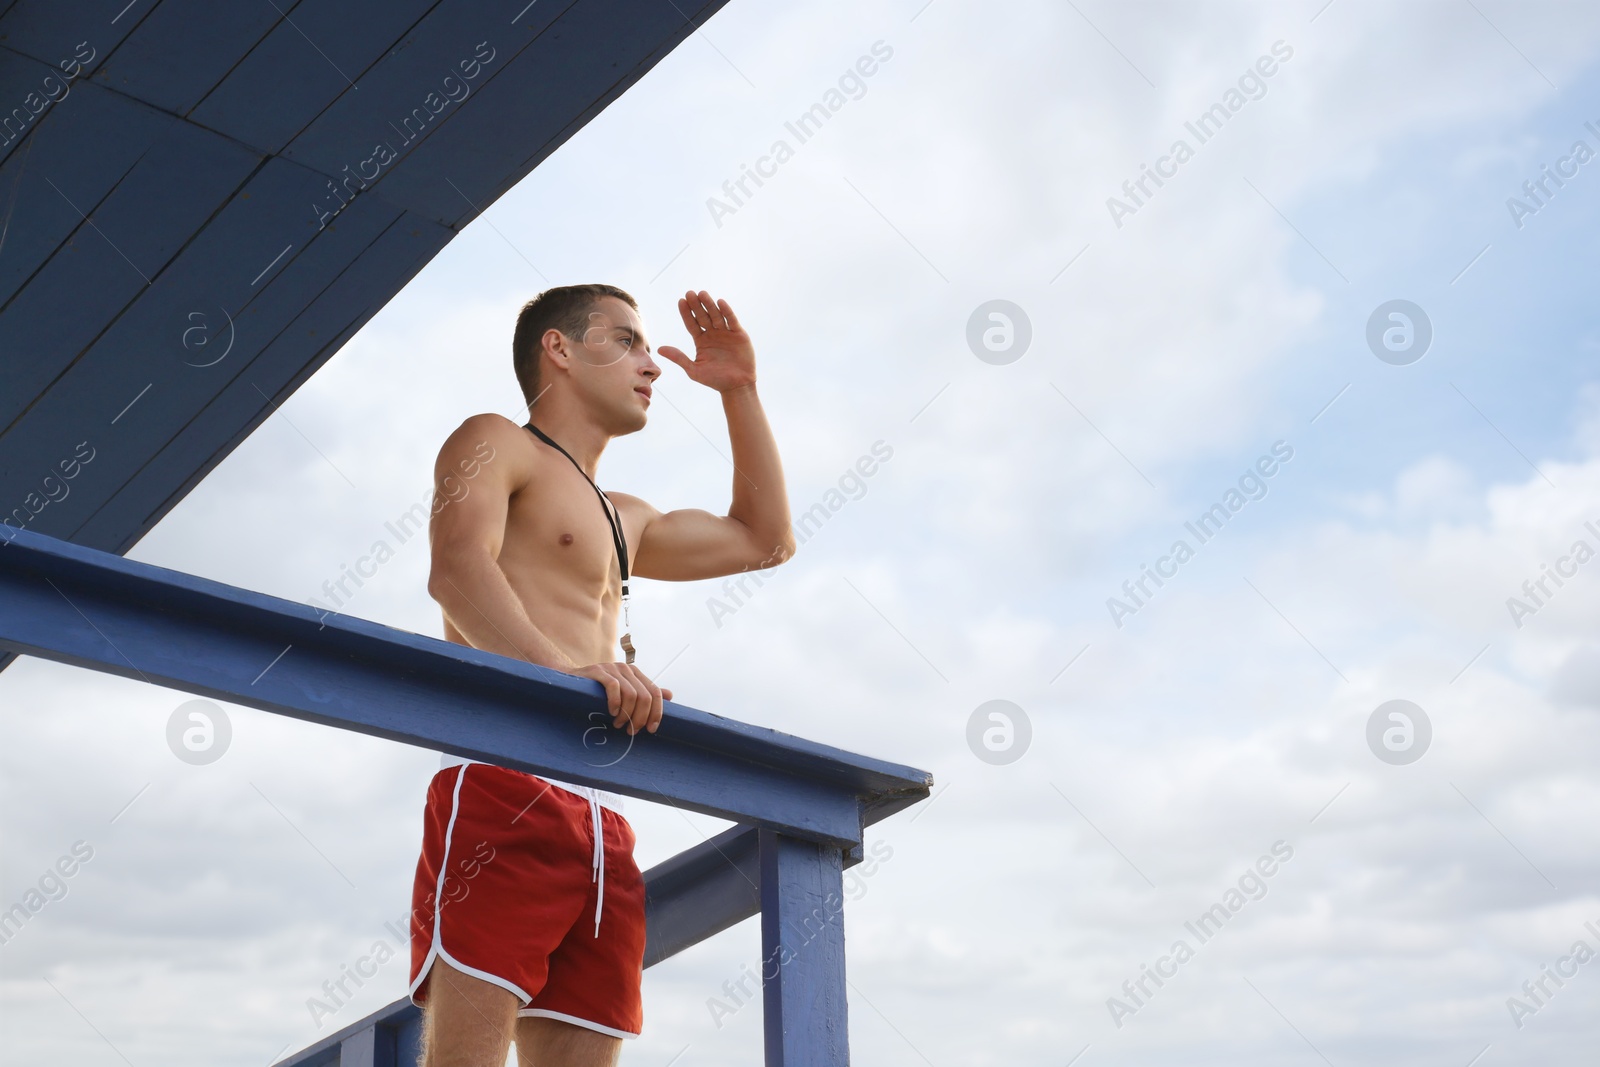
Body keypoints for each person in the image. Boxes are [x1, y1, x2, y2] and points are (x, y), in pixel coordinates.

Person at [407, 285, 795, 1066]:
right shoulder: (494, 440)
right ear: (559, 348)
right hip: (502, 782)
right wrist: (570, 675)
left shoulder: (624, 515)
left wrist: (741, 393)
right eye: (626, 341)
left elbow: (764, 539)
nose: (653, 363)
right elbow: (455, 570)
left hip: (602, 819)